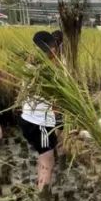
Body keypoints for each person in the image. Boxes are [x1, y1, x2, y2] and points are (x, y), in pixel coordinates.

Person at [19, 31, 63, 189]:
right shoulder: (46, 71)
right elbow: (57, 94)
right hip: (40, 123)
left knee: (43, 156)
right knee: (48, 159)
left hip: (28, 119)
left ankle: (40, 184)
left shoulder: (29, 66)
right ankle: (43, 197)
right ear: (51, 49)